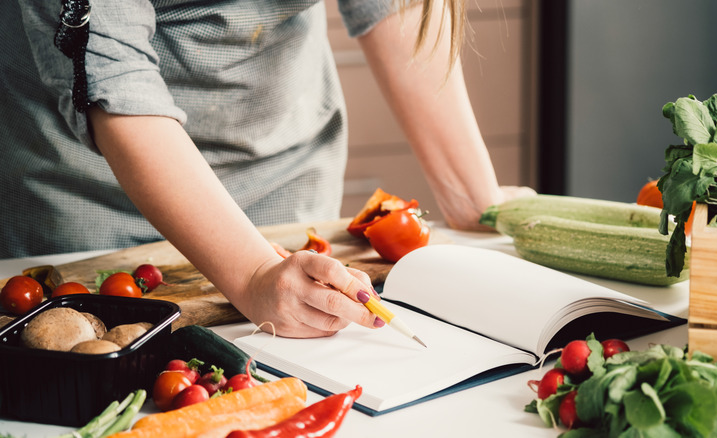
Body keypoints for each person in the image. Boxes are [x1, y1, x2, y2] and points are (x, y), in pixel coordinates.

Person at [1, 0, 535, 338]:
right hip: (88, 196)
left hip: (286, 176)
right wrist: (254, 274)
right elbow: (115, 77)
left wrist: (472, 195)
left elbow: (401, 6)